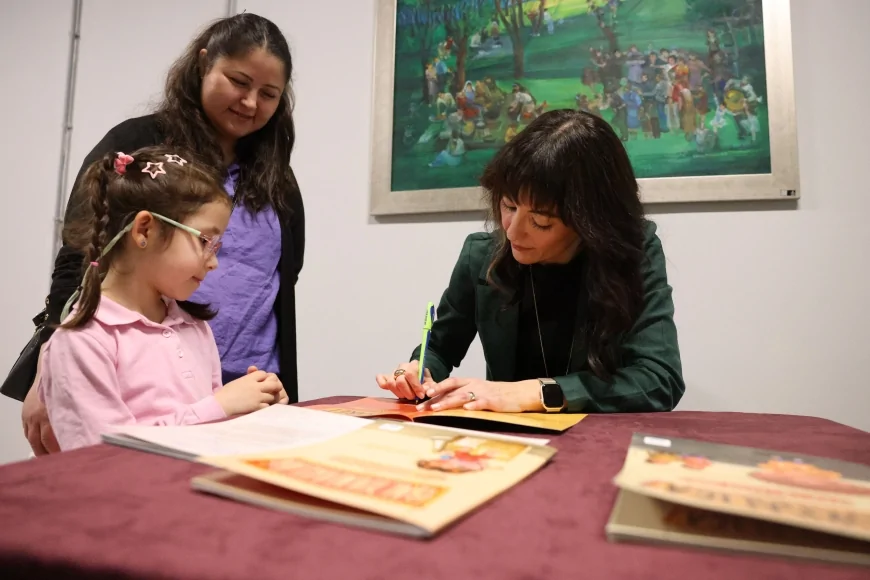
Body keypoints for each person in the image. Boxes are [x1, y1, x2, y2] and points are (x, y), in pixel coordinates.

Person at [21, 13, 304, 455]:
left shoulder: (277, 178)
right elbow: (80, 254)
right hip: (136, 387)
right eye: (238, 81)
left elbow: (284, 280)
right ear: (204, 63)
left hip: (237, 388)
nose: (251, 103)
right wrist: (49, 371)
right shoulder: (137, 144)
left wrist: (255, 394)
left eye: (269, 94)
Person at [376, 109, 684, 414]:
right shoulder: (482, 255)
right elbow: (440, 347)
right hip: (506, 438)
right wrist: (418, 372)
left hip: (599, 436)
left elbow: (660, 379)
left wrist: (537, 392)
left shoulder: (633, 253)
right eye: (508, 206)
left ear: (591, 223)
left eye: (540, 221)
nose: (512, 231)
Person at [38, 146, 287, 451]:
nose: (213, 263)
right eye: (206, 242)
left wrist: (252, 409)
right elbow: (102, 456)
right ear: (144, 230)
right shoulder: (83, 341)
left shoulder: (194, 327)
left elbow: (210, 437)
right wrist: (220, 406)